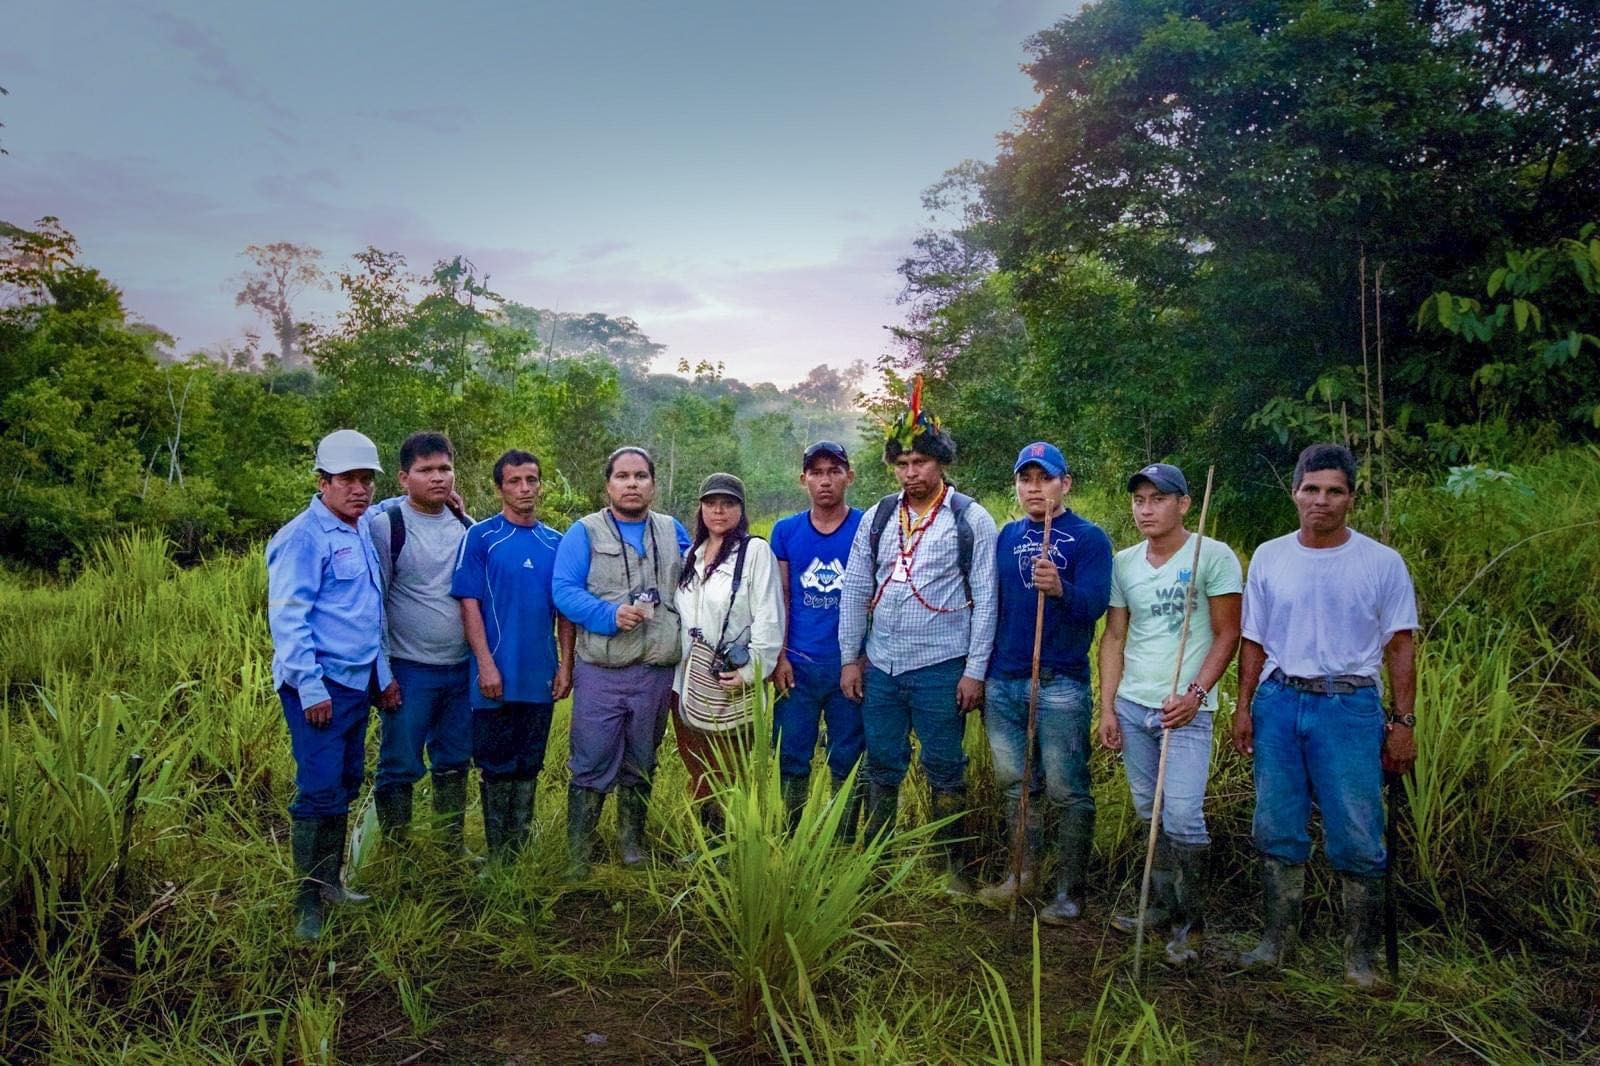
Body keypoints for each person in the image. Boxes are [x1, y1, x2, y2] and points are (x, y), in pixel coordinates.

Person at [1231, 443, 1418, 989]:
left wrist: (1402, 724)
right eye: (1311, 489)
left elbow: (1401, 646)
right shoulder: (1269, 555)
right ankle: (1277, 942)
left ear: (1351, 499)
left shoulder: (1381, 562)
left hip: (1350, 706)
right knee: (1275, 823)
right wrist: (1243, 708)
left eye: (1335, 491)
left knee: (1358, 831)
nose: (1322, 501)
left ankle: (1360, 959)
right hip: (1279, 701)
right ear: (1294, 494)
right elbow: (1252, 640)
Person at [837, 390, 998, 894]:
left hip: (942, 667)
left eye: (921, 461)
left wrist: (974, 671)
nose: (912, 473)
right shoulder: (879, 517)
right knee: (882, 763)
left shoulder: (971, 518)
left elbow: (987, 600)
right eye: (902, 463)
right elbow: (857, 588)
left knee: (945, 767)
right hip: (881, 665)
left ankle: (954, 868)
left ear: (941, 461)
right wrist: (850, 659)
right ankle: (877, 863)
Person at [1097, 462, 1241, 961]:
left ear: (1183, 504)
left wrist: (1196, 694)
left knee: (1181, 814)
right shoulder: (1125, 563)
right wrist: (1108, 707)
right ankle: (1159, 906)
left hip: (1185, 710)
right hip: (1134, 704)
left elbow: (1228, 633)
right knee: (1147, 811)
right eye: (1139, 499)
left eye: (1158, 498)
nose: (1146, 508)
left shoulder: (1212, 556)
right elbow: (1114, 636)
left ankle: (1191, 924)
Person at [266, 429, 399, 940]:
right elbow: (289, 618)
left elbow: (370, 616)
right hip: (319, 685)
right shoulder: (302, 538)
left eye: (366, 480)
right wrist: (310, 687)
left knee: (345, 782)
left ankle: (331, 884)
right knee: (319, 789)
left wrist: (382, 676)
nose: (359, 490)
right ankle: (307, 902)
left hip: (357, 679)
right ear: (322, 482)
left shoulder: (360, 527)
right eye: (348, 480)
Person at [976, 443, 1113, 922]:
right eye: (1025, 479)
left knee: (1067, 789)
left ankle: (1069, 890)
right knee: (1016, 785)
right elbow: (988, 605)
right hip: (1004, 679)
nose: (1034, 488)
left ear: (1065, 483)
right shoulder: (1005, 535)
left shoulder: (1089, 538)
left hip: (1059, 683)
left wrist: (1061, 589)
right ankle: (1022, 874)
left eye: (1044, 478)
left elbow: (1094, 605)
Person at [553, 446, 691, 878]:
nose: (632, 484)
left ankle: (632, 846)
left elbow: (703, 575)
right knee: (592, 760)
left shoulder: (673, 531)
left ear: (653, 483)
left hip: (655, 671)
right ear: (608, 484)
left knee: (642, 759)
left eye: (641, 476)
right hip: (602, 670)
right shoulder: (584, 531)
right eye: (622, 476)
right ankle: (580, 854)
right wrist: (609, 615)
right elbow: (564, 590)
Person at [450, 449, 575, 861]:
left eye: (532, 480)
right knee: (495, 765)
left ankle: (517, 854)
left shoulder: (556, 542)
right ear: (499, 487)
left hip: (539, 676)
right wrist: (485, 664)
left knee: (529, 764)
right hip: (494, 675)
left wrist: (565, 664)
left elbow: (565, 611)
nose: (525, 489)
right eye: (515, 481)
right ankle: (497, 852)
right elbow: (468, 604)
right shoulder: (482, 537)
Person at [367, 431, 475, 854]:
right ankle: (397, 851)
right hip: (408, 670)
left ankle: (450, 846)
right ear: (402, 478)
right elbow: (373, 605)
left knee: (454, 759)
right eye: (425, 470)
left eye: (444, 468)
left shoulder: (466, 527)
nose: (437, 478)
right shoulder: (386, 527)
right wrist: (383, 672)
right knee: (399, 763)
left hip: (460, 667)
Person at [673, 473, 785, 837]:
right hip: (686, 682)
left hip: (731, 680)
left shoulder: (754, 552)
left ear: (741, 508)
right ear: (700, 508)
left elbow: (769, 616)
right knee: (697, 767)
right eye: (710, 503)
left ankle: (731, 844)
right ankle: (704, 843)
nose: (718, 510)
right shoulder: (691, 554)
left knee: (729, 768)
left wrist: (752, 671)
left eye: (728, 503)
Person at [769, 441, 865, 833]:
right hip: (798, 667)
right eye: (817, 472)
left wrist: (858, 661)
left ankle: (839, 843)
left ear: (849, 476)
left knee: (848, 755)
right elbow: (781, 599)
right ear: (803, 479)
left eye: (834, 471)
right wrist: (779, 657)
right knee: (792, 754)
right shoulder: (786, 531)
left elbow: (875, 598)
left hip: (849, 668)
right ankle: (792, 838)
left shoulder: (867, 526)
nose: (825, 480)